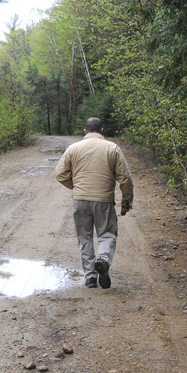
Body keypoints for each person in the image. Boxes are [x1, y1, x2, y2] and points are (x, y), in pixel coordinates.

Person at [55, 117, 134, 289]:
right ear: (102, 130)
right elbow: (125, 178)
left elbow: (60, 174)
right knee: (107, 234)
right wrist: (126, 200)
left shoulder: (73, 148)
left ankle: (90, 277)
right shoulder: (112, 148)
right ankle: (103, 259)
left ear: (85, 131)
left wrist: (76, 187)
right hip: (104, 201)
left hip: (80, 200)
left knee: (85, 237)